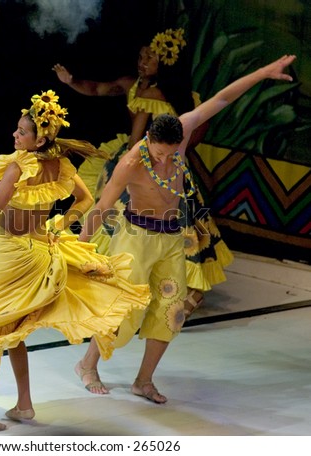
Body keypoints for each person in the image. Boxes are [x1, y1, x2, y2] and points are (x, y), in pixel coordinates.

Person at [0, 90, 150, 430]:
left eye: (22, 132)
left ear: (40, 137)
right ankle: (24, 404)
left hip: (9, 253)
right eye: (17, 130)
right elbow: (86, 197)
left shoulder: (17, 166)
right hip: (37, 252)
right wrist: (61, 222)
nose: (15, 135)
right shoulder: (60, 164)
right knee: (14, 330)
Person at [74, 54, 297, 401]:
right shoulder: (131, 162)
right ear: (149, 138)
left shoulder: (183, 127)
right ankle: (88, 364)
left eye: (171, 153)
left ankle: (143, 381)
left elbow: (222, 98)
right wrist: (78, 250)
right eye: (159, 153)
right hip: (135, 240)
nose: (165, 160)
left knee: (171, 311)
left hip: (171, 238)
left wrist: (263, 72)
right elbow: (102, 207)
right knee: (123, 309)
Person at [53, 28, 232, 319]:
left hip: (143, 161)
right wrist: (70, 81)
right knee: (174, 227)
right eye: (142, 56)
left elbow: (140, 141)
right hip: (169, 165)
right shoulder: (138, 86)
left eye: (150, 58)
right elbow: (98, 88)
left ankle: (115, 280)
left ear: (166, 64)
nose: (143, 61)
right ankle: (162, 287)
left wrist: (126, 166)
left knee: (123, 220)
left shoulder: (154, 95)